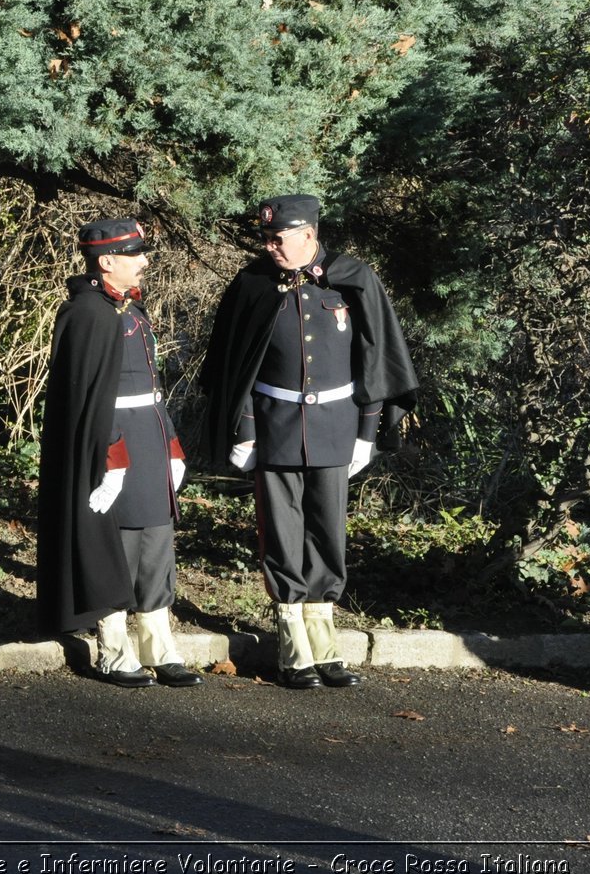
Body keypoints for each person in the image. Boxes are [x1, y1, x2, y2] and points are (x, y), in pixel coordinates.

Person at [202, 195, 416, 689]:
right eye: (267, 238)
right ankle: (294, 649)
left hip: (337, 426)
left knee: (328, 531)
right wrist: (246, 430)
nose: (270, 246)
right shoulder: (252, 284)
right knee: (280, 532)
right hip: (275, 425)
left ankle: (325, 643)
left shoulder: (353, 278)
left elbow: (375, 363)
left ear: (310, 235)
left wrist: (367, 433)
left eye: (279, 238)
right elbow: (237, 367)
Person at [37, 218, 200, 688]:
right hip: (113, 444)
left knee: (155, 542)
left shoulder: (130, 310)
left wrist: (170, 443)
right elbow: (89, 397)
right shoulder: (86, 313)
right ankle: (114, 649)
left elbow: (150, 387)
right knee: (118, 547)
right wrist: (112, 458)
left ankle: (158, 645)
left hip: (148, 437)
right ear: (107, 261)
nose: (145, 261)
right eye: (136, 255)